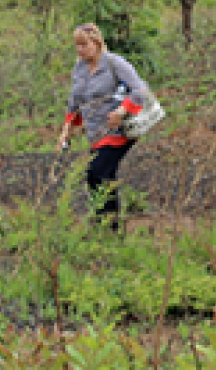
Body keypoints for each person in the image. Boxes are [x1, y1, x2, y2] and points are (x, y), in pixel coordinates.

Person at [57, 23, 150, 231]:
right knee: (100, 177)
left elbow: (140, 91)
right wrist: (66, 131)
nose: (80, 49)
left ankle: (107, 225)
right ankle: (108, 227)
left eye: (84, 44)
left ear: (97, 43)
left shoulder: (114, 63)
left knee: (97, 170)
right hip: (95, 132)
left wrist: (121, 112)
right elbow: (75, 101)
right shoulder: (79, 68)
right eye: (77, 45)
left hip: (119, 130)